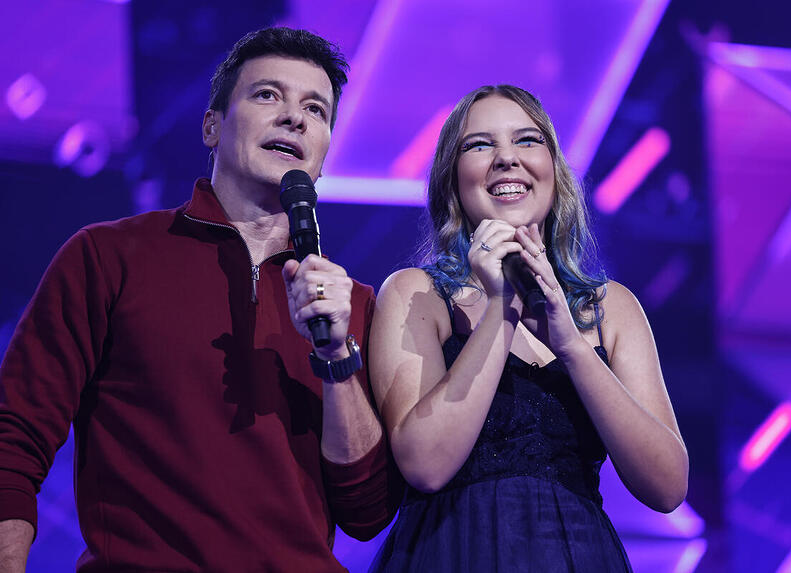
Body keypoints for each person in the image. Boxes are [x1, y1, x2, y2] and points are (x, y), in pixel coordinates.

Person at [0, 27, 401, 572]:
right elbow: (13, 440)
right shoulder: (108, 256)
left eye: (317, 109)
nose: (295, 118)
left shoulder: (352, 304)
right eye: (267, 95)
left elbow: (368, 512)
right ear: (211, 126)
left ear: (324, 157)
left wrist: (335, 358)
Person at [367, 85, 688, 571]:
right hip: (452, 552)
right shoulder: (416, 294)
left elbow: (667, 487)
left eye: (527, 140)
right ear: (453, 181)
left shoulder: (612, 309)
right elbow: (425, 465)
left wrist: (573, 348)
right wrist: (502, 306)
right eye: (479, 145)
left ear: (553, 172)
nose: (506, 159)